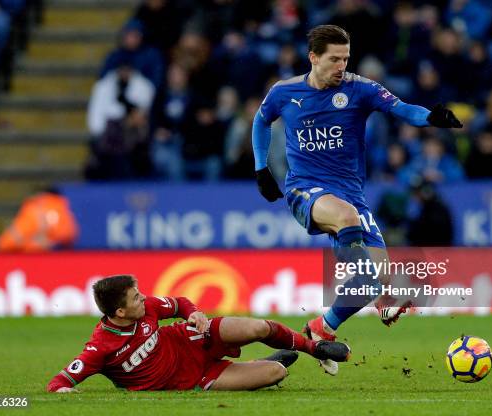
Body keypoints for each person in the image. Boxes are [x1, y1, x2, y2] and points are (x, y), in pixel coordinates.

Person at [252, 25, 462, 375]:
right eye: (334, 59)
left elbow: (401, 108)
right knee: (346, 219)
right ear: (314, 57)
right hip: (306, 188)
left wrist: (430, 117)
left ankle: (321, 329)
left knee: (377, 278)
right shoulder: (284, 92)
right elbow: (261, 121)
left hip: (351, 195)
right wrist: (261, 169)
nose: (341, 66)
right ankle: (369, 300)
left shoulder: (360, 88)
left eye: (346, 58)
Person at [47, 275, 350, 393]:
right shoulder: (100, 347)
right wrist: (64, 392)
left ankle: (314, 347)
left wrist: (192, 313)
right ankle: (261, 362)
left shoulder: (148, 307)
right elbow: (60, 381)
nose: (144, 299)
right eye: (136, 298)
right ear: (120, 313)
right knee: (275, 372)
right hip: (193, 379)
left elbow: (179, 303)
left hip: (193, 339)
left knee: (258, 327)